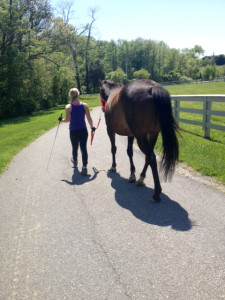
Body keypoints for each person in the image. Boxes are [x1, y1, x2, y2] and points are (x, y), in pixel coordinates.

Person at [59, 88, 95, 175]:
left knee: (74, 147)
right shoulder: (84, 105)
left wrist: (61, 120)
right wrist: (92, 127)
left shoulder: (68, 107)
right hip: (83, 130)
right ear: (78, 95)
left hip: (73, 131)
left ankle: (75, 162)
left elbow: (68, 120)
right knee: (83, 148)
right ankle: (84, 167)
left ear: (70, 96)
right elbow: (89, 118)